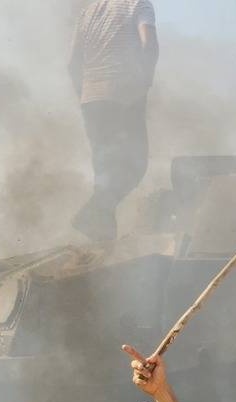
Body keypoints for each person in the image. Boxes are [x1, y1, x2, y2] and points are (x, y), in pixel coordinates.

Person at [68, 0, 159, 241]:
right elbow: (148, 44)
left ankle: (102, 238)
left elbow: (72, 63)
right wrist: (145, 82)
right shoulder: (139, 5)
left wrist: (85, 95)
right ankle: (92, 215)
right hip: (124, 96)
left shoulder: (88, 11)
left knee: (105, 171)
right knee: (135, 164)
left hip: (91, 100)